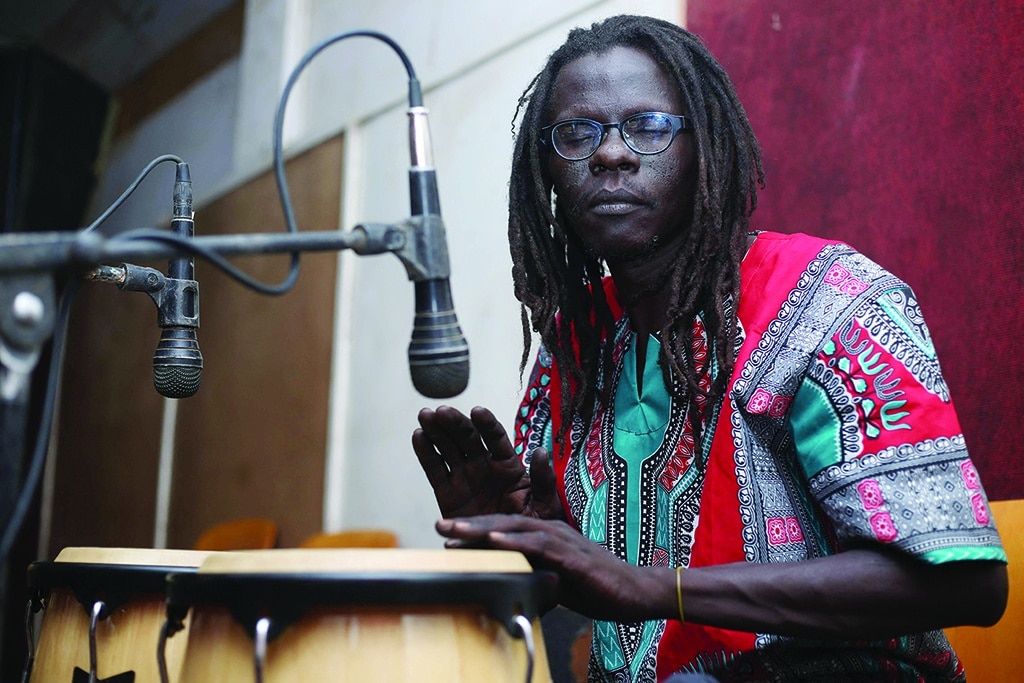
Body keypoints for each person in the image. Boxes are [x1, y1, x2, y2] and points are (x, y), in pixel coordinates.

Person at [411, 14, 1007, 682]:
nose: (611, 154)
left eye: (649, 125)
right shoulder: (570, 348)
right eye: (577, 132)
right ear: (545, 167)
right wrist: (517, 546)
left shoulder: (832, 302)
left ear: (705, 147)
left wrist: (662, 588)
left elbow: (970, 587)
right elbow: (580, 598)